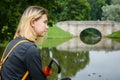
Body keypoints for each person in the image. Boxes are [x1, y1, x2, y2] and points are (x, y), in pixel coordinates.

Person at [1, 6, 51, 80]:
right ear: (33, 22)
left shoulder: (14, 42)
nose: (47, 27)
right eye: (44, 22)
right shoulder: (30, 50)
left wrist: (41, 73)